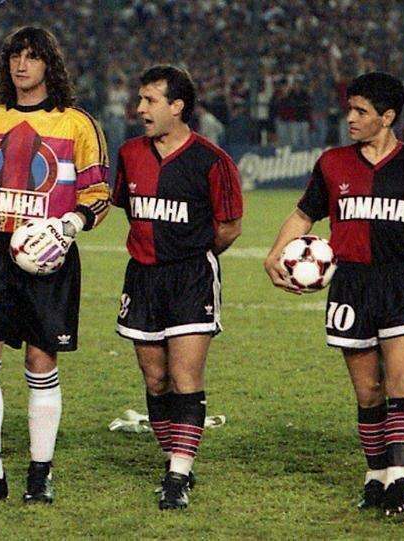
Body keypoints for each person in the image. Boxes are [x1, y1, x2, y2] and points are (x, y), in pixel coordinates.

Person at [264, 72, 404, 515]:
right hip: (351, 286)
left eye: (361, 111)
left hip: (402, 283)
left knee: (402, 386)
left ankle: (401, 480)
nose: (351, 118)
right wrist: (275, 254)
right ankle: (375, 476)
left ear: (387, 116)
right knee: (369, 392)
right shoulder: (333, 163)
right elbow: (303, 215)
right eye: (350, 110)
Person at [0, 26, 110, 507]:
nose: (22, 65)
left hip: (49, 256)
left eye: (32, 57)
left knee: (40, 363)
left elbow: (98, 193)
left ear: (49, 65)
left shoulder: (77, 125)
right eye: (15, 57)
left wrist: (70, 225)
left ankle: (40, 473)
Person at [112, 64, 242, 510]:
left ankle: (178, 474)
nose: (140, 109)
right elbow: (128, 208)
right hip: (142, 277)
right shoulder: (130, 153)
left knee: (185, 377)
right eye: (141, 99)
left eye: (150, 100)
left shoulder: (212, 160)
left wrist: (192, 254)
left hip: (190, 278)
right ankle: (174, 456)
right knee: (156, 378)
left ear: (177, 106)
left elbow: (229, 227)